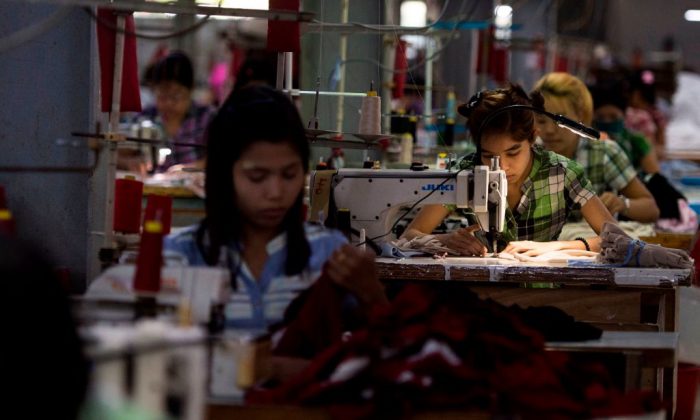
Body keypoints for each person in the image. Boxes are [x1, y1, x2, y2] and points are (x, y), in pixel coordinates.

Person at [164, 85, 385, 330]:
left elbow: (380, 351)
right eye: (257, 177)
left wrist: (372, 295)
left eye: (289, 175)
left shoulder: (329, 255)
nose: (276, 193)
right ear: (224, 176)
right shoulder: (179, 258)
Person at [400, 84, 616, 257]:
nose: (502, 167)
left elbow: (617, 239)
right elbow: (409, 235)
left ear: (532, 137)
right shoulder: (465, 173)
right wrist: (445, 239)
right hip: (480, 292)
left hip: (546, 293)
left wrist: (555, 247)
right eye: (488, 156)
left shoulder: (562, 173)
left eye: (513, 152)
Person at [532, 72, 659, 223]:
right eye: (540, 121)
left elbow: (651, 209)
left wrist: (621, 204)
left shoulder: (604, 153)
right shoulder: (529, 153)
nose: (549, 130)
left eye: (560, 121)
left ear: (580, 115)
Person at [132, 51, 216, 172]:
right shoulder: (145, 117)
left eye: (176, 96)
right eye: (162, 96)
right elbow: (118, 150)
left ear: (190, 90)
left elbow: (221, 157)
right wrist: (129, 162)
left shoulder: (206, 118)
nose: (169, 103)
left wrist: (187, 169)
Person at [588, 80, 660, 175]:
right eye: (600, 117)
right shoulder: (585, 145)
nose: (607, 122)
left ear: (624, 116)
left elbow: (655, 177)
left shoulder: (637, 142)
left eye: (613, 117)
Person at [625, 69, 667, 159]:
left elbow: (661, 144)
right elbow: (661, 143)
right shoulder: (656, 113)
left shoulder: (629, 114)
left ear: (636, 94)